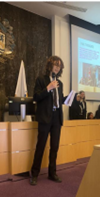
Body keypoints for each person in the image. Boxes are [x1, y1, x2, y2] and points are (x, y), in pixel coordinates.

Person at [29, 56, 70, 185]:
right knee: (40, 146)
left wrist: (68, 99)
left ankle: (52, 173)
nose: (57, 68)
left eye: (59, 66)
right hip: (45, 118)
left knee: (54, 147)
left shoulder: (60, 83)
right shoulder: (41, 80)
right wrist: (48, 88)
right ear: (50, 66)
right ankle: (34, 174)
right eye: (55, 65)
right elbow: (36, 97)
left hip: (56, 118)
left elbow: (58, 100)